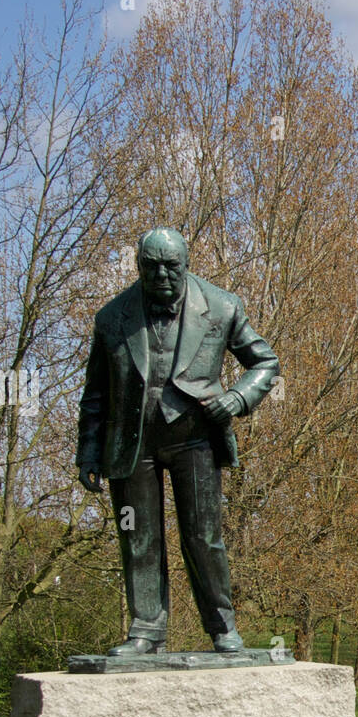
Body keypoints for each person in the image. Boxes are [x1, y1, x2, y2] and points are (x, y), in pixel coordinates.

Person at [76, 228, 279, 656]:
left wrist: (238, 397)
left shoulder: (222, 306)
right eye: (152, 267)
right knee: (138, 536)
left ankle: (223, 627)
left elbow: (264, 362)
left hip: (195, 440)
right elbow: (95, 394)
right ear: (138, 267)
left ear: (186, 264)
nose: (163, 275)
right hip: (131, 447)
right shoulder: (112, 318)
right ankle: (146, 628)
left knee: (204, 536)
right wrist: (89, 453)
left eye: (172, 266)